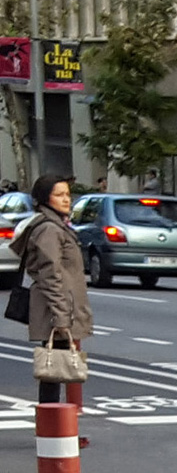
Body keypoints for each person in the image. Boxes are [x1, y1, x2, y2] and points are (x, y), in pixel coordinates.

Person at [11, 174, 93, 438]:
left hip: (60, 308)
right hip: (55, 311)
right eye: (59, 194)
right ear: (45, 199)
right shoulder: (49, 229)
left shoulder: (56, 225)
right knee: (52, 371)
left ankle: (56, 432)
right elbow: (50, 273)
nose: (67, 199)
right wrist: (61, 317)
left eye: (68, 194)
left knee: (54, 373)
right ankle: (54, 434)